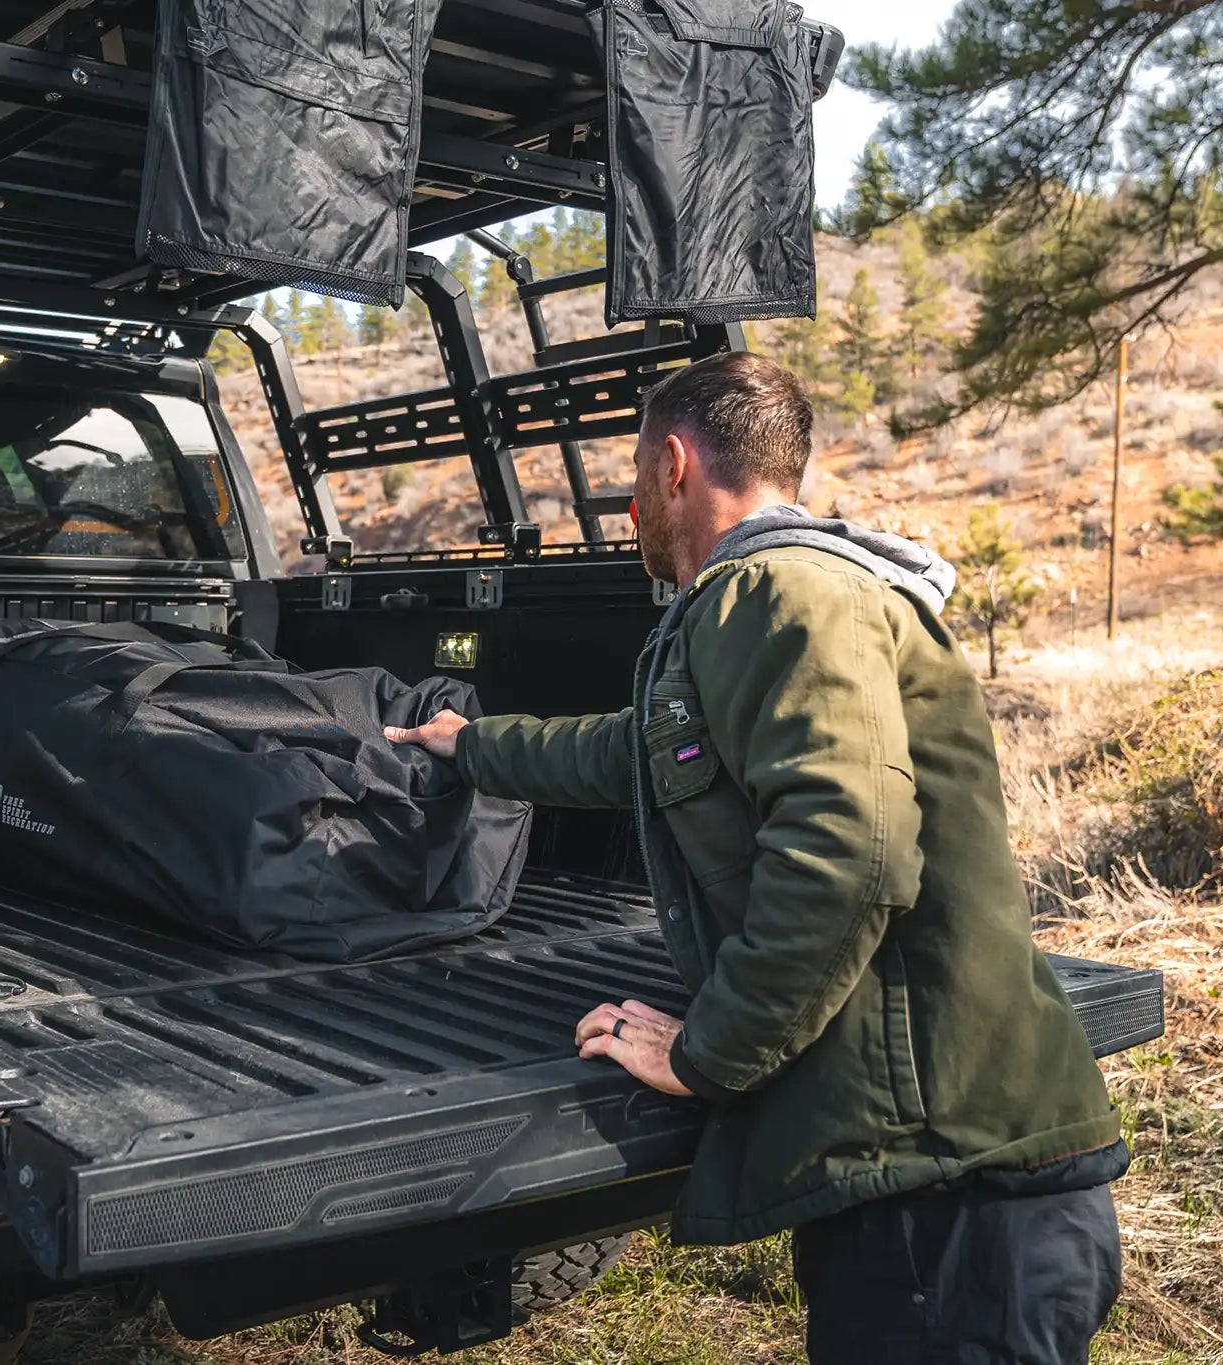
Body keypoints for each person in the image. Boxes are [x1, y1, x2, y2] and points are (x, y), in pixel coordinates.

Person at [385, 352, 1128, 1364]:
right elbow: (635, 750)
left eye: (634, 477)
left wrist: (708, 1050)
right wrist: (466, 745)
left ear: (674, 466)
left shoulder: (784, 597)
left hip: (950, 1193)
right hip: (925, 1177)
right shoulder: (759, 603)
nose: (630, 508)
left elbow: (851, 850)